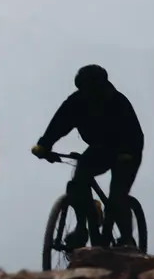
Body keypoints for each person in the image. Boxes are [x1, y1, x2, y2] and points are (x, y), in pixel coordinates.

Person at [32, 64, 145, 250]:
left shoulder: (117, 101)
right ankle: (82, 228)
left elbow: (132, 133)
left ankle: (126, 239)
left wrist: (126, 155)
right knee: (77, 184)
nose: (89, 94)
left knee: (118, 194)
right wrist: (44, 145)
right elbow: (59, 124)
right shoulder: (76, 102)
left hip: (128, 150)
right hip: (100, 149)